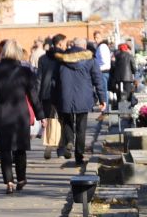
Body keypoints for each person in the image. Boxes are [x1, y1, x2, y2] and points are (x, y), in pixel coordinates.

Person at [0, 39, 42, 194]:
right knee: (20, 148)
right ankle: (21, 178)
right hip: (20, 113)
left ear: (3, 52)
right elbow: (33, 95)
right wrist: (41, 115)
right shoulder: (25, 71)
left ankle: (9, 181)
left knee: (5, 149)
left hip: (2, 113)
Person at [51, 38, 105, 169]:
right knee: (81, 127)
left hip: (65, 96)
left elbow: (54, 80)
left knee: (67, 122)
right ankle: (79, 157)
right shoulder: (90, 60)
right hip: (84, 97)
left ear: (72, 45)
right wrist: (102, 98)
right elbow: (98, 80)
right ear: (84, 46)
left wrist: (55, 98)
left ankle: (69, 141)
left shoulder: (61, 60)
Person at [35, 36, 63, 160]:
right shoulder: (62, 57)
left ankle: (49, 143)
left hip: (46, 92)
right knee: (62, 120)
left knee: (49, 119)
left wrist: (38, 94)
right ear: (60, 44)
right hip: (61, 92)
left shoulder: (42, 59)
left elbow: (39, 78)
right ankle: (60, 148)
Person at [109, 41, 136, 108]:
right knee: (127, 91)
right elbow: (133, 66)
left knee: (118, 92)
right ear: (126, 49)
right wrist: (133, 72)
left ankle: (119, 104)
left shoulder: (116, 56)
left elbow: (113, 65)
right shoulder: (129, 55)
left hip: (118, 77)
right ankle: (127, 105)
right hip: (127, 77)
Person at [95, 39, 112, 108]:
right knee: (105, 90)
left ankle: (105, 109)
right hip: (106, 71)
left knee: (103, 90)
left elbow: (103, 59)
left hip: (102, 71)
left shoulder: (102, 47)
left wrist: (99, 65)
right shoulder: (105, 47)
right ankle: (105, 108)